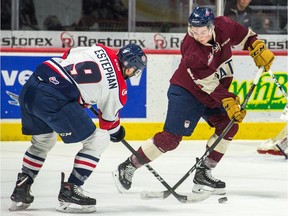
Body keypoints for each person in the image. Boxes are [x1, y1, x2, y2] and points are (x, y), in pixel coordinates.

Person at [113, 7, 274, 195]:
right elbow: (209, 85)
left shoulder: (225, 26)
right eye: (194, 31)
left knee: (229, 126)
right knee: (170, 140)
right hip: (187, 93)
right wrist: (229, 101)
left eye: (203, 31)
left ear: (212, 26)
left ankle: (204, 172)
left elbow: (246, 36)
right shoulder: (191, 48)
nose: (198, 36)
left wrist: (257, 47)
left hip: (212, 94)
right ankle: (129, 166)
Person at [9, 43, 147, 213]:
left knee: (43, 142)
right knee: (99, 139)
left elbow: (67, 54)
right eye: (134, 70)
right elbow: (108, 124)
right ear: (129, 67)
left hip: (32, 84)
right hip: (54, 99)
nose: (133, 73)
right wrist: (118, 132)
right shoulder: (117, 87)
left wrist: (81, 92)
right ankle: (71, 188)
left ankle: (22, 186)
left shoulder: (101, 48)